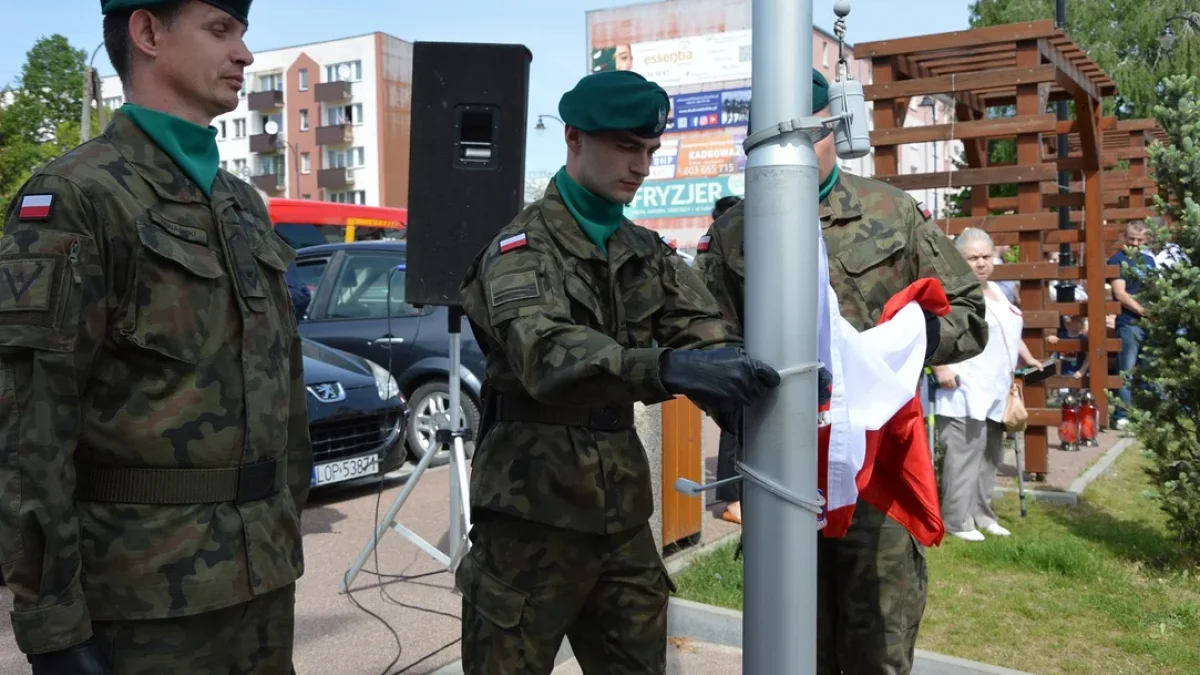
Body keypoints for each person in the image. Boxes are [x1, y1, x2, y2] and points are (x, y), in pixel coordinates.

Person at [0, 2, 312, 673]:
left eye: (243, 34)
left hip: (261, 583)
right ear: (147, 33)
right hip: (144, 602)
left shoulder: (241, 205)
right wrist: (52, 623)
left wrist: (285, 524)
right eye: (220, 31)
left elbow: (281, 391)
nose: (245, 55)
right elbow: (29, 426)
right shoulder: (76, 196)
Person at [455, 70, 780, 675]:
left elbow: (707, 336)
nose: (642, 165)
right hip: (530, 523)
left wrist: (756, 380)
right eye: (626, 147)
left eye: (651, 151)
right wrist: (673, 368)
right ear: (575, 139)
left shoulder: (645, 252)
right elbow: (549, 355)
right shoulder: (520, 250)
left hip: (622, 519)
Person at [695, 69, 988, 675]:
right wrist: (749, 404)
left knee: (875, 648)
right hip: (782, 475)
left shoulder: (891, 211)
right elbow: (706, 346)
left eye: (807, 136)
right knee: (788, 649)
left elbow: (969, 313)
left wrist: (906, 344)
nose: (792, 152)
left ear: (831, 126)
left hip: (875, 474)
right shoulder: (734, 234)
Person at [932, 228, 1042, 542]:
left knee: (991, 455)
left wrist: (1029, 358)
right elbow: (932, 330)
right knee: (964, 455)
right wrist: (941, 367)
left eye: (986, 256)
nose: (981, 263)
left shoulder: (997, 289)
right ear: (959, 258)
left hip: (996, 388)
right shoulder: (950, 291)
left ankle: (983, 514)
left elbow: (1009, 330)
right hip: (964, 387)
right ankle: (957, 519)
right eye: (973, 257)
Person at [709, 194, 745, 525]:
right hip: (729, 350)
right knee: (733, 428)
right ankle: (732, 501)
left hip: (738, 350)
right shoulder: (716, 252)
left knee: (738, 427)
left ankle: (736, 497)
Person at [1107, 220, 1157, 429]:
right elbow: (1120, 293)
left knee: (1148, 369)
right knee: (1126, 369)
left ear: (1145, 241)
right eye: (1131, 239)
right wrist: (1143, 311)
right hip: (1129, 322)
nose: (1135, 243)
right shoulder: (1117, 259)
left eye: (1140, 240)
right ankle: (1121, 415)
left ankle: (1146, 412)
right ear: (1124, 238)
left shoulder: (1148, 261)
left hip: (1151, 323)